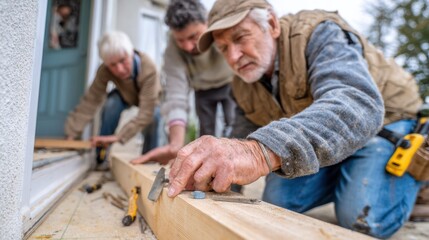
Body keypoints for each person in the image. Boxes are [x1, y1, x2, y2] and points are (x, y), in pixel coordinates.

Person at [166, 0, 424, 238]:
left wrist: (257, 153)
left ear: (272, 24)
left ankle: (415, 184)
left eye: (240, 37)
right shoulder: (243, 83)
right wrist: (216, 178)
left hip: (386, 124)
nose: (233, 57)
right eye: (223, 48)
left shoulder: (318, 33)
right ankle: (353, 174)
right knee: (277, 202)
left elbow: (358, 103)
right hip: (327, 137)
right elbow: (240, 136)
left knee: (363, 217)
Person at [131, 0, 236, 165]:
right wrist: (175, 144)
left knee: (233, 129)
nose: (187, 47)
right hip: (202, 89)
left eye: (193, 36)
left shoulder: (223, 27)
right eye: (180, 40)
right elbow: (176, 94)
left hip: (231, 83)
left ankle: (233, 181)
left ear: (207, 23)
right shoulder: (172, 50)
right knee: (206, 135)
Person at [65, 31, 161, 168]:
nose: (120, 69)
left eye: (123, 61)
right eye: (113, 65)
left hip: (149, 100)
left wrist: (119, 137)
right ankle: (101, 157)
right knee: (111, 104)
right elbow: (91, 100)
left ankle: (148, 159)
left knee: (154, 116)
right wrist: (72, 133)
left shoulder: (149, 68)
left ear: (131, 53)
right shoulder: (104, 71)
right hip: (125, 95)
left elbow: (145, 113)